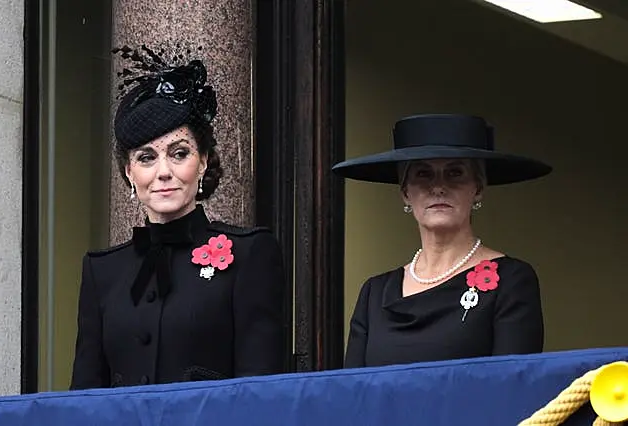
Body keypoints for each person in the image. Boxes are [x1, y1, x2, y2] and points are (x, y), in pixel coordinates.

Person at [70, 45, 286, 389]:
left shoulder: (250, 254)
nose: (163, 172)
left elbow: (262, 390)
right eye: (146, 158)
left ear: (202, 162)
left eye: (179, 153)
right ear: (129, 172)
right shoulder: (102, 272)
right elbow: (84, 396)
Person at [332, 114, 552, 368]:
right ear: (405, 192)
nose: (438, 187)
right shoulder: (374, 293)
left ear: (478, 188)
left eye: (455, 173)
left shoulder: (511, 281)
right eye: (423, 174)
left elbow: (512, 385)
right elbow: (352, 391)